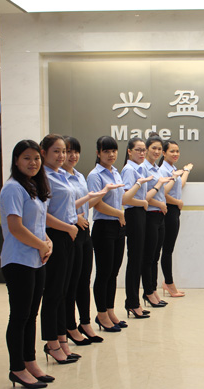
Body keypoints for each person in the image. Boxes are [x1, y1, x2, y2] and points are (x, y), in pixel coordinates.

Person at [40, 134, 108, 363]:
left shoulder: (64, 175)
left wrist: (91, 197)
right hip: (58, 235)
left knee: (66, 289)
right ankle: (53, 342)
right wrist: (69, 225)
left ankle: (61, 339)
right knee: (55, 293)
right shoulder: (44, 177)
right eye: (58, 151)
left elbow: (68, 205)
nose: (64, 156)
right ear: (44, 153)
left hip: (71, 234)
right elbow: (43, 213)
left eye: (65, 151)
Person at [0, 139, 52, 389]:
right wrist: (41, 245)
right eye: (27, 158)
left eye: (36, 158)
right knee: (19, 316)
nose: (33, 163)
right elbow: (16, 227)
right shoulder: (12, 188)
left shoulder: (32, 186)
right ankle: (17, 368)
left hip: (36, 260)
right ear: (16, 161)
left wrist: (47, 241)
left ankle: (30, 362)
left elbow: (37, 223)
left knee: (31, 315)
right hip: (18, 260)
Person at [64, 136, 123, 342]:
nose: (111, 154)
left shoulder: (84, 175)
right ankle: (93, 317)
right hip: (93, 227)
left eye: (114, 150)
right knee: (97, 275)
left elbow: (88, 201)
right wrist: (75, 216)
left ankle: (96, 317)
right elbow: (95, 204)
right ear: (98, 153)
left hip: (94, 228)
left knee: (101, 275)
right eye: (106, 151)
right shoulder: (93, 175)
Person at [121, 137, 154, 318]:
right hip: (133, 214)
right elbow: (126, 198)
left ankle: (135, 302)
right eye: (138, 150)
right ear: (129, 151)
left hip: (140, 213)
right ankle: (132, 302)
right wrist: (142, 202)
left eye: (143, 150)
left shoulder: (140, 168)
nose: (142, 153)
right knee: (134, 260)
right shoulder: (129, 169)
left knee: (139, 259)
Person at [141, 134, 173, 307]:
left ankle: (153, 290)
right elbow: (143, 196)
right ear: (146, 149)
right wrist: (159, 203)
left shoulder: (156, 169)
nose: (157, 151)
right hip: (150, 215)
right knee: (148, 257)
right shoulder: (143, 168)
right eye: (153, 148)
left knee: (155, 257)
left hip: (160, 216)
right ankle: (148, 291)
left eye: (159, 149)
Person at [158, 140, 192, 297]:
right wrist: (177, 202)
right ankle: (169, 284)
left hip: (173, 211)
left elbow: (180, 184)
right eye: (172, 151)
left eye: (177, 151)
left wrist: (186, 171)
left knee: (168, 249)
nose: (175, 154)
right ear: (164, 153)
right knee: (167, 250)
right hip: (168, 210)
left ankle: (168, 282)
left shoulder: (172, 169)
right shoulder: (163, 170)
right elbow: (162, 193)